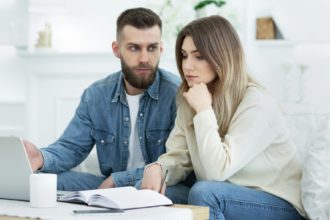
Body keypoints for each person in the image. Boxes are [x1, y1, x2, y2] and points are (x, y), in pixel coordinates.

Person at [141, 15, 307, 220]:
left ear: (222, 56)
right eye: (184, 55)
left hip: (278, 203)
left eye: (199, 56)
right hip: (226, 193)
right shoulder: (193, 96)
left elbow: (216, 172)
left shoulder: (256, 102)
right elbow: (178, 156)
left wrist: (203, 111)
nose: (187, 66)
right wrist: (159, 167)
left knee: (204, 193)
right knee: (160, 196)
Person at [23, 7, 180, 191]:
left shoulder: (176, 94)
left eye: (152, 48)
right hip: (108, 184)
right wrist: (41, 157)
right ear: (116, 49)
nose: (144, 58)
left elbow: (177, 163)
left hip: (155, 185)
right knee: (42, 180)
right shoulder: (96, 95)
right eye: (134, 48)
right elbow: (72, 147)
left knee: (142, 188)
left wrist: (119, 179)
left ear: (161, 49)